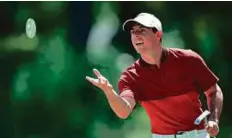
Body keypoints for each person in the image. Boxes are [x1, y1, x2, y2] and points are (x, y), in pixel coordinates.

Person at [86, 13, 223, 138]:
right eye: (133, 32)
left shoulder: (188, 59)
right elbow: (124, 111)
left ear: (158, 34)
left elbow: (213, 91)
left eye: (142, 31)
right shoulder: (131, 76)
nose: (136, 35)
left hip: (197, 135)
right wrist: (110, 92)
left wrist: (213, 119)